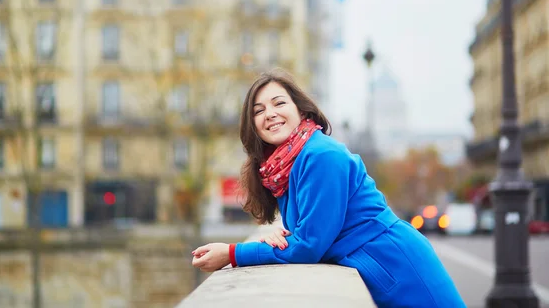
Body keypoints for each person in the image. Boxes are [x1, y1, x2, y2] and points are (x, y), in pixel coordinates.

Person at [191, 69, 465, 308]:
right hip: (378, 267)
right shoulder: (286, 165)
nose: (270, 114)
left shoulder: (322, 155)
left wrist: (232, 254)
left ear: (301, 110)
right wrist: (282, 234)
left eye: (278, 103)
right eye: (259, 110)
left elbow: (309, 247)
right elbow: (309, 233)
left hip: (396, 267)